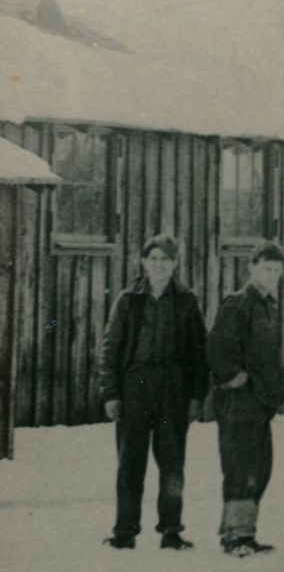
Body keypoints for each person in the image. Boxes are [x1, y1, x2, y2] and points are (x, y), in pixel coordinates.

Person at [99, 233, 209, 551]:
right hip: (136, 386)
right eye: (154, 258)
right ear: (144, 262)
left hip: (173, 389)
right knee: (130, 461)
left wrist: (196, 396)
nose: (159, 265)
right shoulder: (128, 299)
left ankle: (171, 530)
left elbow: (199, 353)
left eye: (166, 259)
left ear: (174, 264)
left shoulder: (187, 301)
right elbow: (110, 348)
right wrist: (111, 393)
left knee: (172, 462)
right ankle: (125, 531)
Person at [206, 241, 284, 556]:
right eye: (266, 268)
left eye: (277, 270)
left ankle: (245, 533)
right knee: (240, 467)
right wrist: (233, 377)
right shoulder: (237, 304)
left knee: (259, 467)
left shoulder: (269, 306)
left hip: (259, 403)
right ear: (251, 267)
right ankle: (234, 537)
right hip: (238, 402)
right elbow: (216, 348)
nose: (271, 274)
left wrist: (273, 395)